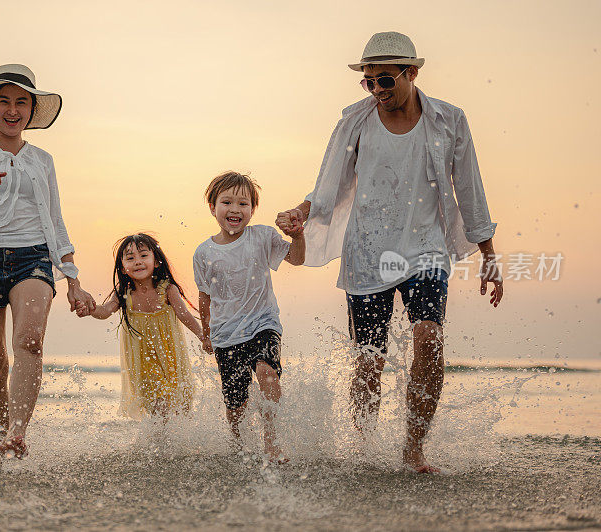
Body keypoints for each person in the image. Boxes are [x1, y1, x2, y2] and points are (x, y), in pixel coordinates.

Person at [276, 32, 504, 473]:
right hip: (367, 252)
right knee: (368, 360)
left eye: (385, 80)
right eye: (368, 82)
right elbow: (330, 183)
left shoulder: (449, 120)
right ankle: (363, 451)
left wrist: (489, 256)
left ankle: (413, 448)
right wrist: (301, 210)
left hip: (425, 251)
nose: (377, 90)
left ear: (411, 74)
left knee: (430, 340)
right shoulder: (355, 122)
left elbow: (470, 188)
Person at [0, 64, 96, 459]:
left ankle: (16, 432)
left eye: (21, 103)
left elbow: (55, 219)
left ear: (31, 110)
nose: (13, 110)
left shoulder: (43, 159)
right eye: (4, 101)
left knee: (30, 341)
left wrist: (73, 278)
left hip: (32, 257)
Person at [193, 171, 305, 463]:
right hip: (225, 335)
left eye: (243, 204)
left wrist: (297, 236)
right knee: (235, 404)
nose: (235, 210)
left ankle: (272, 443)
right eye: (227, 202)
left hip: (263, 323)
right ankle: (240, 445)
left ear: (252, 209)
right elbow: (205, 297)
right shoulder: (204, 252)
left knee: (268, 374)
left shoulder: (262, 236)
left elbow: (296, 258)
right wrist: (206, 333)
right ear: (213, 207)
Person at [77, 234, 203, 420]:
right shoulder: (124, 292)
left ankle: (175, 446)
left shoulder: (168, 290)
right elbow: (105, 312)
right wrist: (91, 309)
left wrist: (203, 336)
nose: (137, 262)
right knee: (158, 407)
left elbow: (185, 316)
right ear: (123, 267)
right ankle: (159, 444)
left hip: (171, 358)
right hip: (143, 363)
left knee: (180, 407)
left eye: (143, 255)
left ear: (157, 261)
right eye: (130, 258)